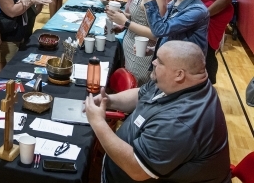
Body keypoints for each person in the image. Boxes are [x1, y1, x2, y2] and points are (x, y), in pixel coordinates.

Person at [84, 41, 231, 183]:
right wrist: (109, 100)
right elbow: (141, 94)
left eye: (159, 61)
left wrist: (98, 123)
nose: (153, 62)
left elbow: (136, 169)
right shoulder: (181, 82)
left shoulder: (179, 122)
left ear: (179, 74)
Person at [105, 0, 166, 85]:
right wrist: (123, 19)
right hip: (131, 55)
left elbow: (156, 33)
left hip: (141, 60)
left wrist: (126, 22)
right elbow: (143, 18)